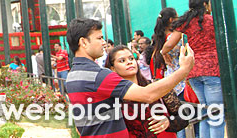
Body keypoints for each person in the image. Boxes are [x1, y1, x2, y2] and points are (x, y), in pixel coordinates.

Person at [65, 18, 194, 138]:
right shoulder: (98, 76)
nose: (103, 43)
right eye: (99, 38)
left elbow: (79, 125)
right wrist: (183, 70)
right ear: (83, 42)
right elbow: (147, 95)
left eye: (131, 58)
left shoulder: (72, 76)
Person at [163, 0, 225, 138]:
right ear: (205, 4)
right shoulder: (213, 21)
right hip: (212, 70)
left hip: (193, 72)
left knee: (204, 112)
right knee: (216, 113)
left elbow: (169, 44)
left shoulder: (186, 22)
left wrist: (163, 53)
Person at [105, 45, 189, 137]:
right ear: (113, 69)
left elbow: (184, 117)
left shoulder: (157, 85)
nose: (129, 62)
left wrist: (168, 121)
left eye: (131, 58)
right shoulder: (112, 97)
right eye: (122, 61)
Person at [152, 7, 186, 138]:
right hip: (180, 78)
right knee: (184, 114)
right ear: (172, 19)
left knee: (175, 113)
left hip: (168, 79)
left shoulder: (159, 37)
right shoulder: (175, 35)